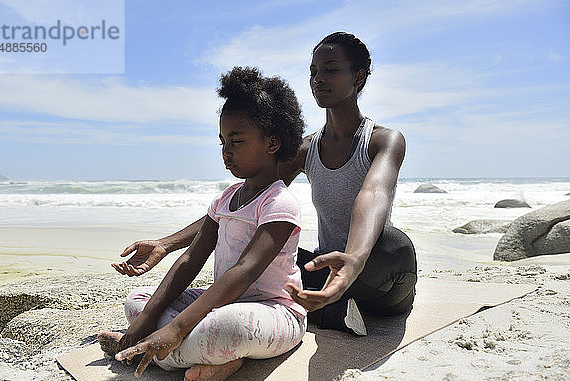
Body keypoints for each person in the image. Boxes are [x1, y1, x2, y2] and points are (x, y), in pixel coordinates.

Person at [113, 32, 417, 337]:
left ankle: (330, 308)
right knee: (263, 246)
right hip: (325, 271)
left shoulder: (383, 140)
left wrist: (353, 259)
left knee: (393, 245)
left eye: (331, 69)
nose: (318, 79)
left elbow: (373, 194)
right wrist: (165, 245)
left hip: (376, 275)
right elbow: (245, 206)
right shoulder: (306, 148)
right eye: (313, 71)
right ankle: (328, 309)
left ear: (359, 78)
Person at [98, 66, 306, 381]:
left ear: (272, 143)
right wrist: (149, 317)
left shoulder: (280, 203)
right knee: (137, 302)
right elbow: (191, 258)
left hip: (274, 311)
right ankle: (187, 351)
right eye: (222, 141)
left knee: (227, 328)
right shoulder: (226, 199)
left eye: (236, 141)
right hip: (221, 304)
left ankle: (153, 348)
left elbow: (245, 270)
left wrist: (178, 327)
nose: (226, 150)